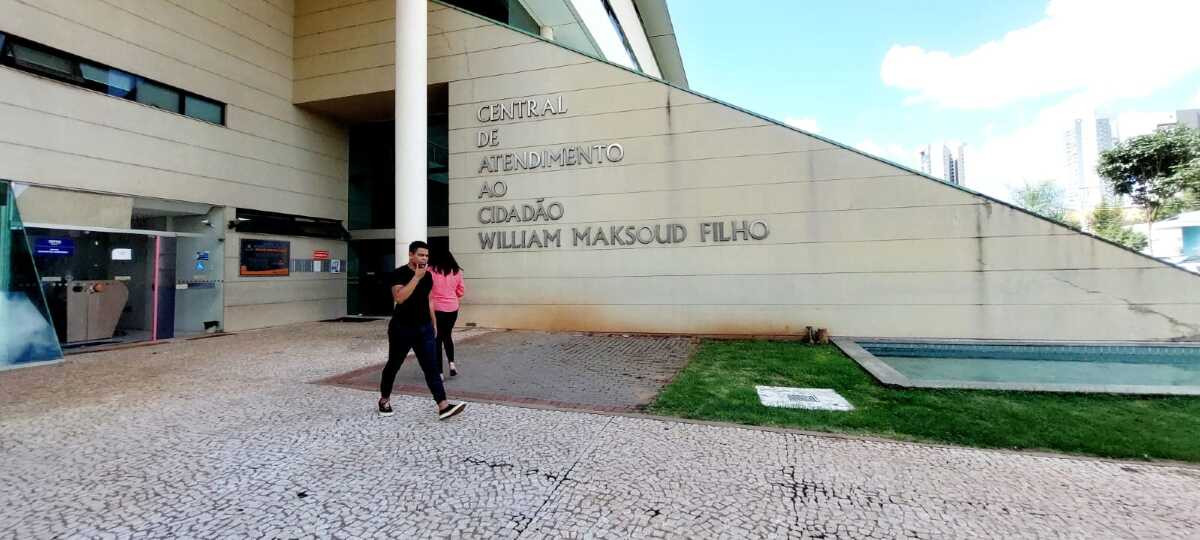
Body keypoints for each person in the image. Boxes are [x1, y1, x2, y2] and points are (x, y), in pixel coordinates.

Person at [377, 240, 466, 420]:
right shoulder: (399, 273)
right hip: (401, 328)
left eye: (426, 255)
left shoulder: (428, 276)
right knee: (393, 365)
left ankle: (443, 406)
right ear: (411, 255)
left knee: (431, 367)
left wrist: (433, 324)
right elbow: (399, 298)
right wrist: (416, 277)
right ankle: (384, 399)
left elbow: (430, 300)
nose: (424, 258)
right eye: (420, 255)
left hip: (424, 328)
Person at [429, 249, 466, 377]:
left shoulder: (430, 271)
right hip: (452, 308)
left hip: (436, 308)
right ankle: (451, 364)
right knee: (447, 335)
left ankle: (439, 372)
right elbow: (461, 291)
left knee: (437, 339)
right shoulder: (457, 271)